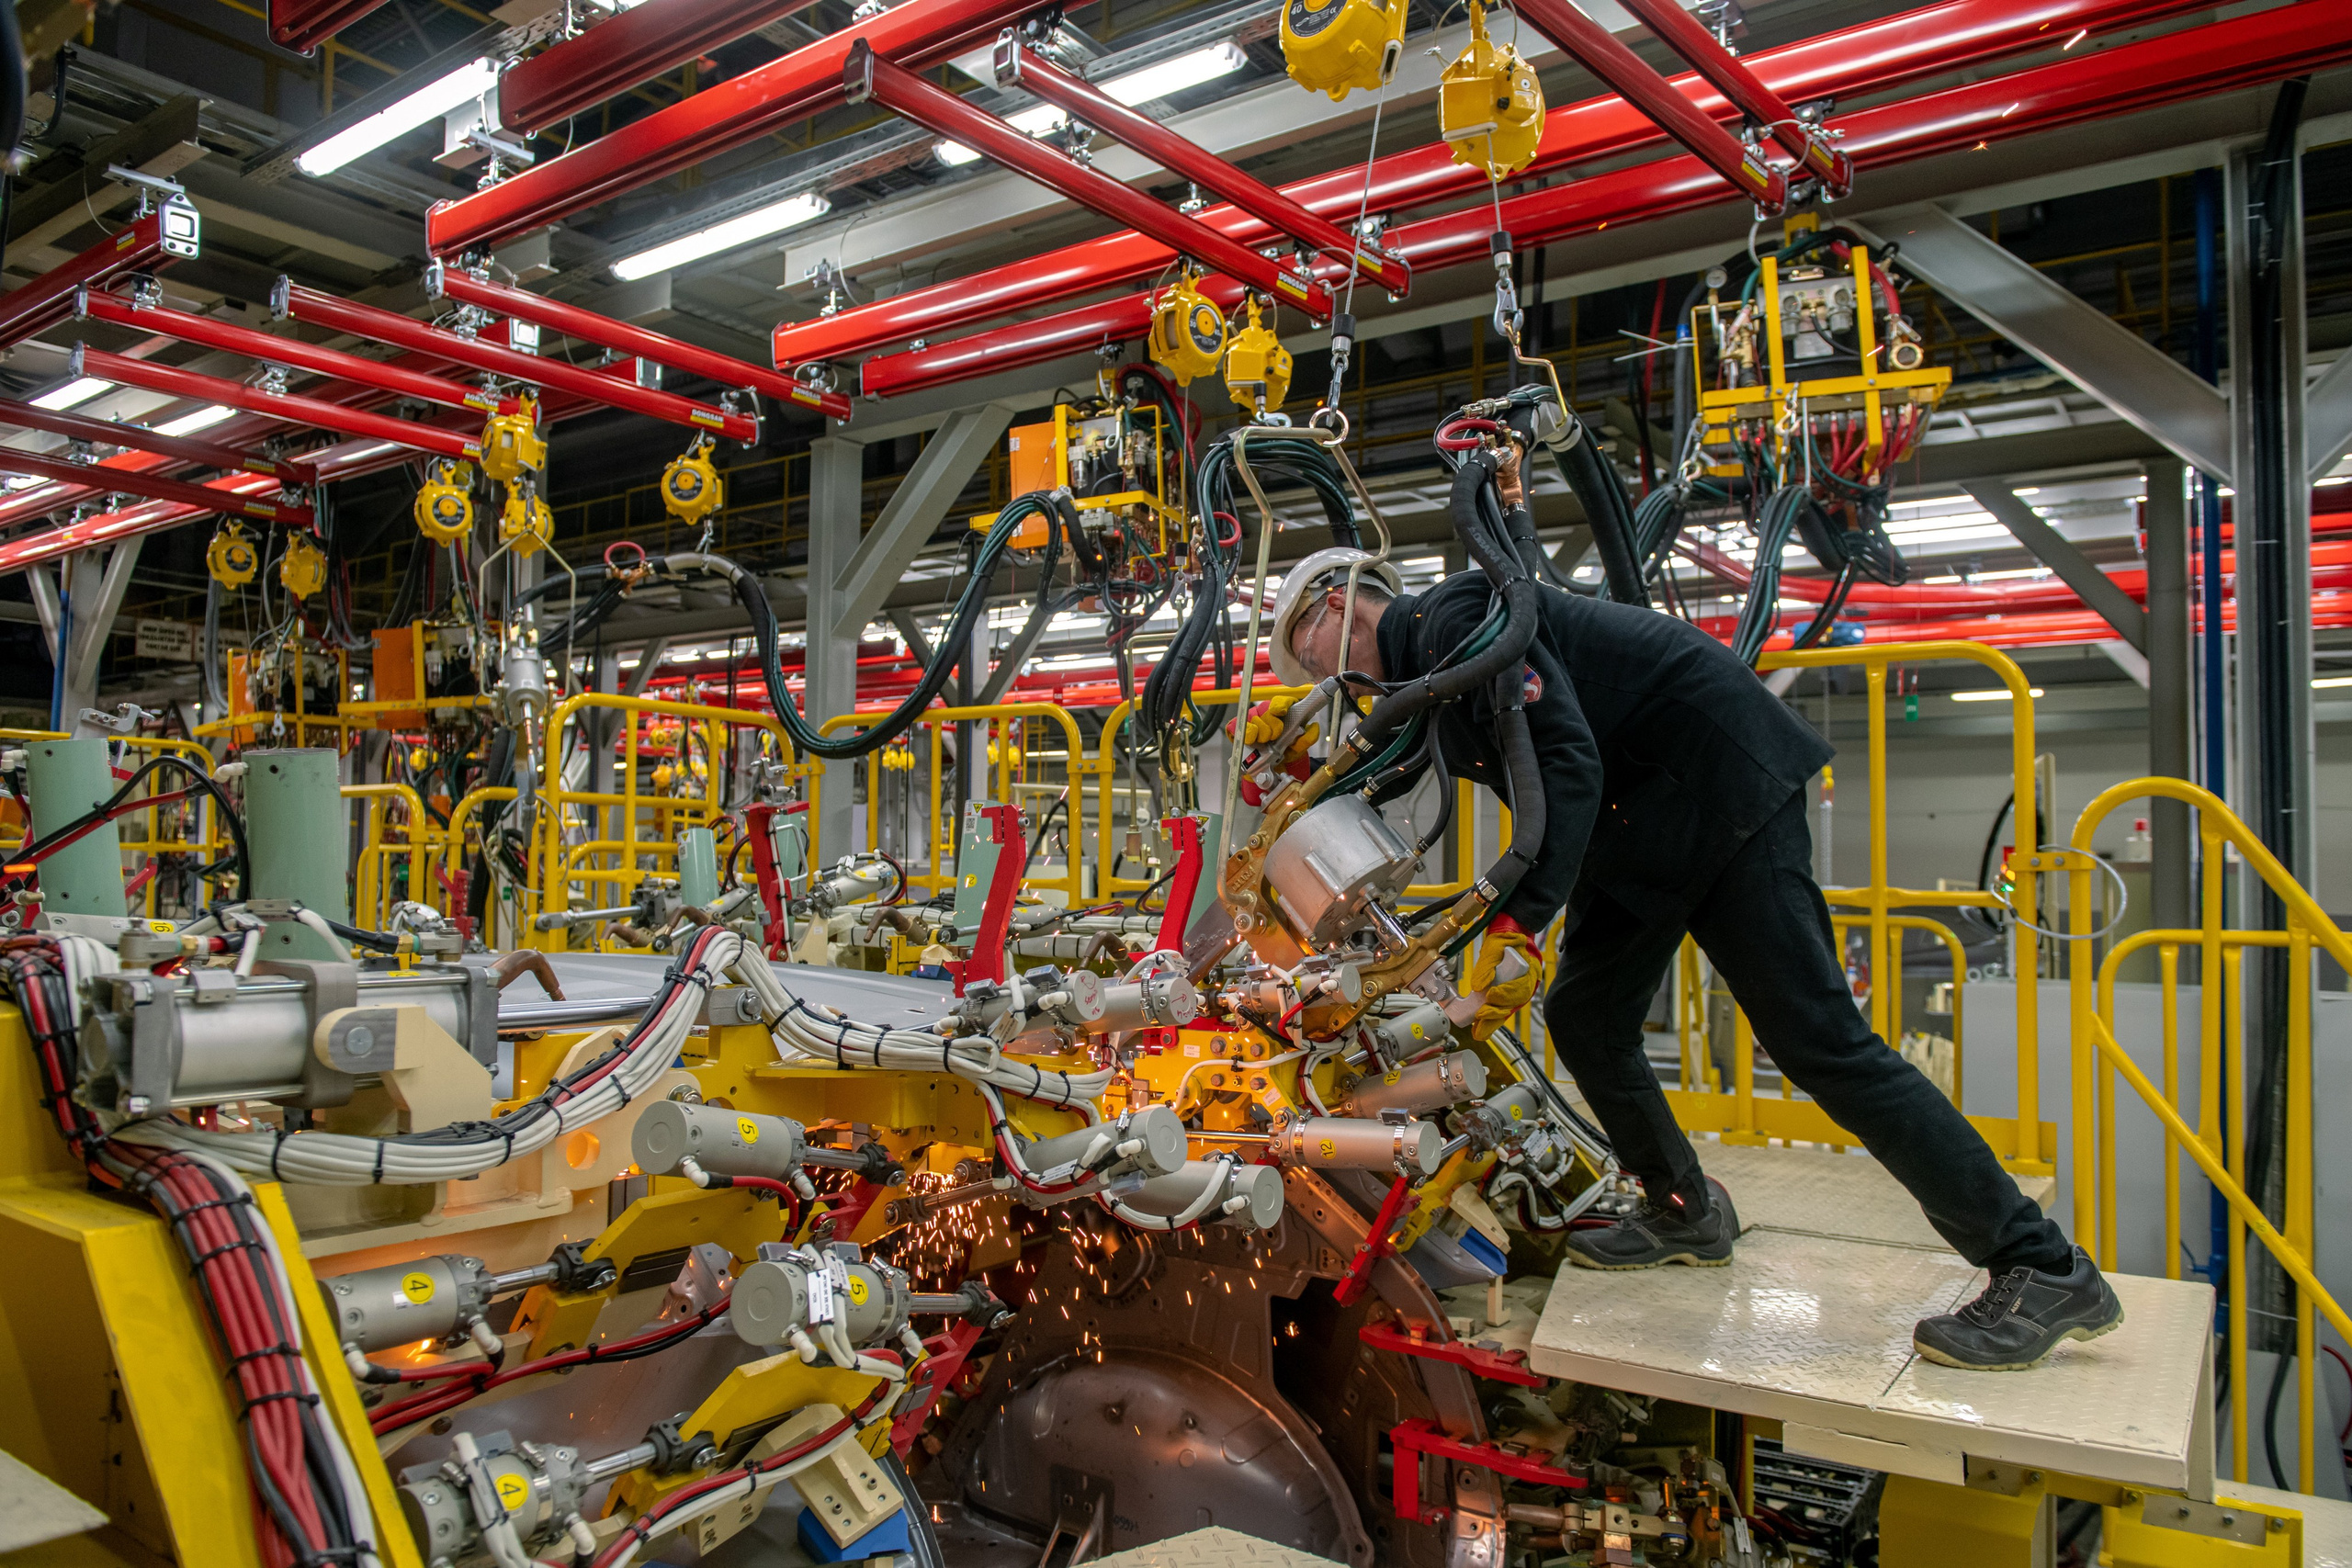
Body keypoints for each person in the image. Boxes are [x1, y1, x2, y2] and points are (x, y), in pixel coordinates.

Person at [1261, 456, 2122, 1373]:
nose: (1328, 682)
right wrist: (1293, 783)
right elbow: (1407, 765)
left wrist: (1522, 922)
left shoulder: (1458, 619)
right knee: (1588, 1017)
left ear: (1338, 609)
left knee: (1819, 1044)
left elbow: (1568, 766)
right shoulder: (1433, 666)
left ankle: (2038, 1265)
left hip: (1720, 791)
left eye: (1313, 660)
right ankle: (1684, 1207)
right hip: (1652, 824)